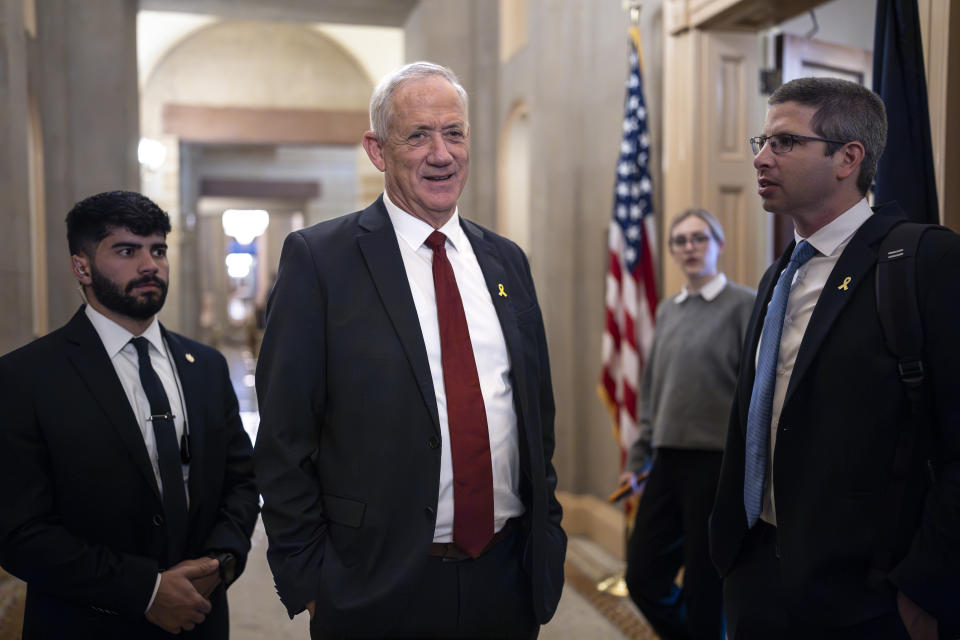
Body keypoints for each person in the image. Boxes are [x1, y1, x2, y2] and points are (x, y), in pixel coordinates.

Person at [253, 61, 565, 639]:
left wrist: (546, 542)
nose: (441, 153)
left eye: (454, 133)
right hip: (373, 584)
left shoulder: (507, 262)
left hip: (503, 578)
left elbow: (534, 416)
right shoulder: (321, 261)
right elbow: (284, 437)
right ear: (377, 150)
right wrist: (313, 580)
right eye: (418, 135)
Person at [709, 76, 960, 639]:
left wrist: (925, 589)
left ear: (848, 158)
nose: (760, 158)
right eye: (761, 142)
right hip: (756, 577)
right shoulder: (781, 272)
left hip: (867, 599)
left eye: (785, 143)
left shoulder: (926, 261)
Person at [0, 191, 259, 638]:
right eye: (126, 250)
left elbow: (241, 481)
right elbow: (19, 531)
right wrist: (146, 590)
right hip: (87, 622)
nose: (149, 265)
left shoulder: (206, 366)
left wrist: (222, 561)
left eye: (158, 250)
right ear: (81, 266)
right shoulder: (27, 376)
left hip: (201, 617)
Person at [620, 208, 753, 640]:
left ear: (719, 243)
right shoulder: (667, 310)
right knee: (642, 576)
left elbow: (755, 391)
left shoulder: (745, 305)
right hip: (665, 461)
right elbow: (652, 390)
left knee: (704, 586)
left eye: (699, 238)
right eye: (680, 241)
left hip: (717, 466)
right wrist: (638, 459)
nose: (689, 248)